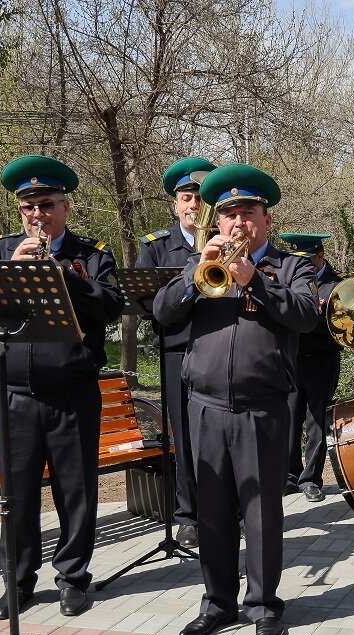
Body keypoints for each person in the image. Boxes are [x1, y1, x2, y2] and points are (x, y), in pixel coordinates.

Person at [153, 163, 319, 635]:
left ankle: (264, 605)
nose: (239, 223)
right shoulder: (201, 261)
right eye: (229, 215)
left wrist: (255, 283)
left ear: (267, 220)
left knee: (261, 511)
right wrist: (194, 277)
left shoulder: (290, 267)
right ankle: (217, 602)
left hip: (262, 407)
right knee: (212, 510)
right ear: (218, 221)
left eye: (248, 213)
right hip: (205, 406)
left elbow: (307, 316)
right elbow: (162, 313)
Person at [0, 155, 124, 619]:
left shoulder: (92, 255)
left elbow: (111, 307)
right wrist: (11, 272)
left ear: (65, 207)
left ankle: (73, 578)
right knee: (17, 494)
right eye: (28, 207)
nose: (37, 215)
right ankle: (17, 582)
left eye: (46, 205)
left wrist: (65, 276)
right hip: (13, 393)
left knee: (75, 490)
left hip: (72, 391)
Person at [137, 156, 216, 548]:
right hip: (175, 351)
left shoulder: (225, 240)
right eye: (187, 198)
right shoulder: (155, 247)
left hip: (217, 350)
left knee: (218, 435)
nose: (194, 205)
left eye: (200, 198)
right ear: (175, 204)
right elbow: (145, 303)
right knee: (183, 438)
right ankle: (188, 516)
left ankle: (226, 510)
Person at [282, 232, 343, 502]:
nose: (301, 265)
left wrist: (314, 316)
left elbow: (341, 327)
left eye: (306, 260)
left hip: (322, 359)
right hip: (292, 358)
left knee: (316, 421)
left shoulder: (337, 286)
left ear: (320, 256)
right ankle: (290, 475)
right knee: (289, 418)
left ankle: (311, 479)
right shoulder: (287, 279)